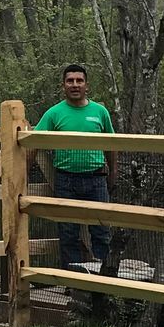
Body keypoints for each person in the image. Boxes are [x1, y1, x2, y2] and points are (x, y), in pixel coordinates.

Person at [33, 64, 115, 270]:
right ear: (63, 85)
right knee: (68, 233)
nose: (75, 85)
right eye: (70, 81)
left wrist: (114, 172)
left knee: (101, 231)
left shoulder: (100, 111)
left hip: (96, 179)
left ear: (87, 85)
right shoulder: (54, 113)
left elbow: (112, 144)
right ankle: (74, 282)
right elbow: (33, 141)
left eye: (79, 81)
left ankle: (104, 282)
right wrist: (21, 174)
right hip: (66, 180)